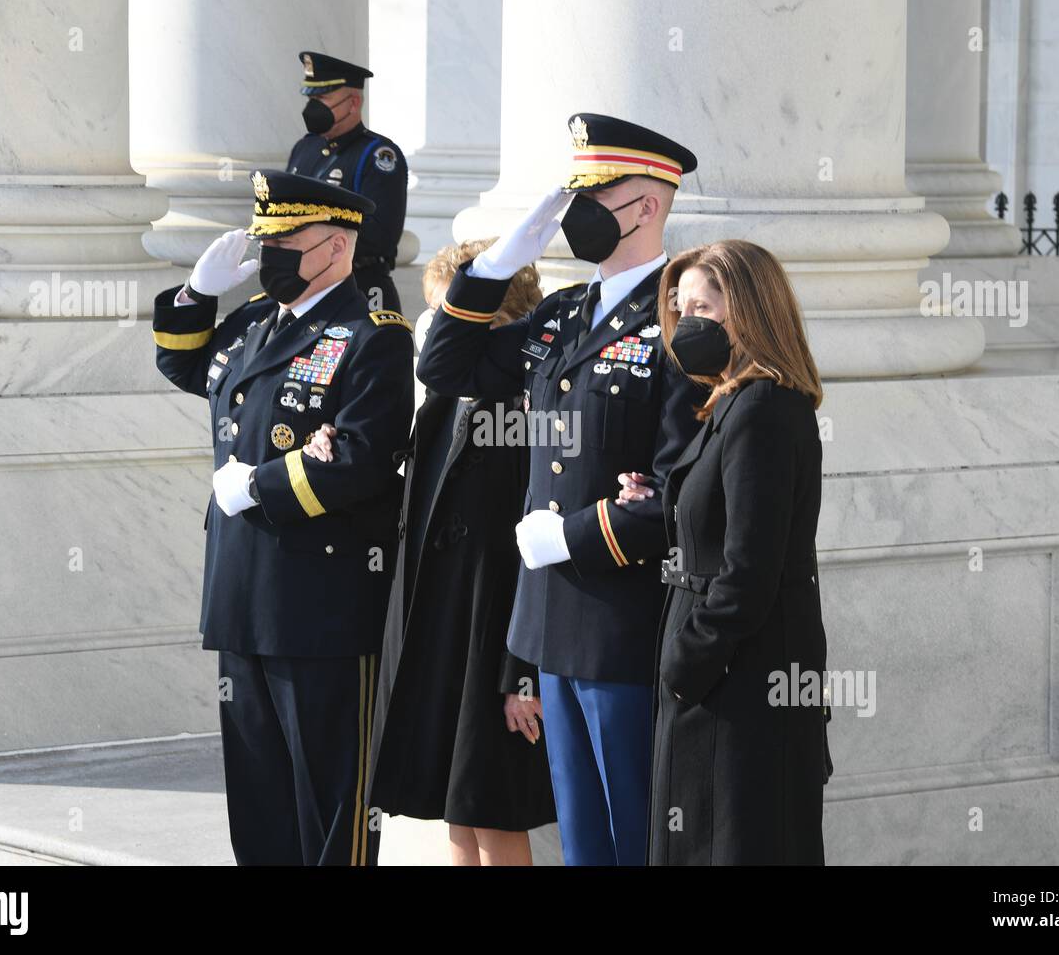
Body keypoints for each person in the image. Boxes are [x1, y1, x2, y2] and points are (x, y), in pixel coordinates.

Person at [416, 114, 704, 865]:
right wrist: (507, 255)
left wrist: (573, 537)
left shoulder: (681, 322)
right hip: (548, 622)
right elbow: (446, 366)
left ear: (645, 206)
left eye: (595, 194)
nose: (577, 213)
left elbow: (683, 493)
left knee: (633, 835)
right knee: (581, 842)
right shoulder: (561, 317)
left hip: (623, 620)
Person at [151, 169, 414, 865]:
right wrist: (196, 295)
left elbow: (361, 456)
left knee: (332, 801)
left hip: (320, 601)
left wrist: (263, 486)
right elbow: (182, 366)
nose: (268, 256)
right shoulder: (251, 324)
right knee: (259, 793)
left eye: (282, 241)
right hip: (241, 589)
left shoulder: (372, 335)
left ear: (333, 246)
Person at [307, 239, 556, 866]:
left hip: (493, 633)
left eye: (451, 312)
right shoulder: (443, 399)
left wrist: (519, 674)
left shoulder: (531, 406)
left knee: (494, 808)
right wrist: (331, 447)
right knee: (454, 807)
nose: (437, 326)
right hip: (435, 627)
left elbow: (531, 551)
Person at [617, 239, 831, 865]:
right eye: (681, 311)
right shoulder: (732, 400)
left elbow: (750, 569)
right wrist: (666, 499)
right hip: (723, 666)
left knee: (732, 843)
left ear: (751, 312)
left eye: (704, 309)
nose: (688, 325)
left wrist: (687, 662)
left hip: (739, 673)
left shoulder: (763, 406)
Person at [287, 51, 407, 315]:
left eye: (322, 98)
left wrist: (309, 232)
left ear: (353, 103)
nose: (313, 107)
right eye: (311, 98)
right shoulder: (304, 149)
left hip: (359, 286)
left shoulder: (378, 156)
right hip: (304, 286)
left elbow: (380, 236)